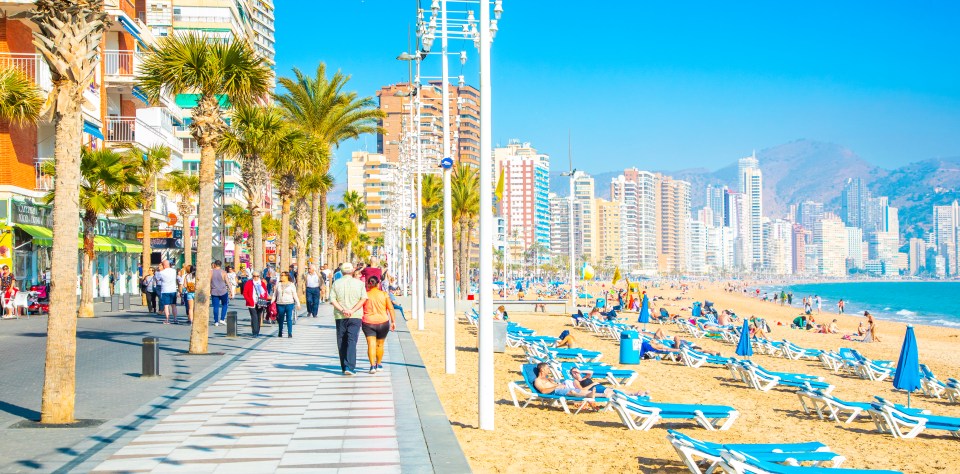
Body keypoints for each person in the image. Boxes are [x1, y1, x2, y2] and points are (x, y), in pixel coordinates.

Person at [330, 262, 368, 375]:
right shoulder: (359, 284)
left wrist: (342, 310)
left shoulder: (336, 283)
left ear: (341, 272)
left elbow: (332, 300)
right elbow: (363, 299)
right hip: (355, 316)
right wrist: (352, 310)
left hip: (340, 316)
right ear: (352, 272)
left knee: (341, 340)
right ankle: (349, 367)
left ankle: (344, 366)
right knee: (352, 340)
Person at [362, 274, 395, 374]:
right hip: (383, 322)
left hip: (368, 322)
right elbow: (390, 308)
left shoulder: (365, 295)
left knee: (371, 344)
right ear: (378, 284)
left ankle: (372, 366)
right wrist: (393, 321)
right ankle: (379, 364)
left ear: (368, 284)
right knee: (380, 345)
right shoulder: (384, 294)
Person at [532, 362, 597, 398]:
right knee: (572, 392)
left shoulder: (548, 379)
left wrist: (559, 385)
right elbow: (543, 391)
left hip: (562, 389)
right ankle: (588, 395)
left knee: (579, 390)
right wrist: (556, 386)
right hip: (555, 392)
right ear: (542, 369)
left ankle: (603, 395)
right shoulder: (538, 380)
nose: (549, 370)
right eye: (548, 368)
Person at [272, 272, 300, 338]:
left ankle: (290, 333)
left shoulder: (291, 284)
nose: (281, 277)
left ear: (287, 276)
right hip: (280, 303)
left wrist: (298, 303)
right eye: (281, 275)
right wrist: (272, 302)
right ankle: (280, 332)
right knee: (280, 318)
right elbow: (275, 294)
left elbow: (294, 295)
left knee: (289, 318)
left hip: (289, 303)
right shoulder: (278, 284)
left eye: (282, 275)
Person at [242, 272, 268, 337]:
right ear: (252, 276)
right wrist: (249, 300)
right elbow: (245, 293)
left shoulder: (262, 283)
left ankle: (257, 331)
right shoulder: (249, 283)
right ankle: (254, 332)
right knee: (254, 316)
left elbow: (265, 293)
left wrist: (264, 301)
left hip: (260, 302)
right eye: (254, 276)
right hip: (251, 303)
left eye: (257, 276)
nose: (256, 277)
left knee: (259, 317)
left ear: (259, 276)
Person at [156, 260, 179, 324]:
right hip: (173, 290)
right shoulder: (174, 271)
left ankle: (167, 319)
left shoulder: (162, 272)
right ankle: (175, 319)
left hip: (165, 290)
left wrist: (159, 270)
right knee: (173, 305)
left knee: (166, 306)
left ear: (164, 265)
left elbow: (157, 279)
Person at [209, 260, 230, 327]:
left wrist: (209, 290)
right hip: (223, 291)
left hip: (214, 291)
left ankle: (216, 321)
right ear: (220, 265)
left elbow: (208, 282)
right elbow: (227, 282)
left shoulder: (211, 272)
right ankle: (222, 319)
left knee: (215, 306)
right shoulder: (223, 272)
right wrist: (231, 291)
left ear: (214, 264)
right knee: (225, 304)